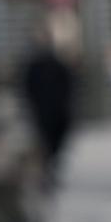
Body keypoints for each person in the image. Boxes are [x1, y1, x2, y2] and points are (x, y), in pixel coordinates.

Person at [22, 31, 75, 190]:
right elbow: (28, 88)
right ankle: (46, 174)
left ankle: (49, 170)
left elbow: (68, 86)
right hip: (42, 112)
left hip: (57, 112)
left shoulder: (59, 65)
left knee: (53, 145)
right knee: (45, 145)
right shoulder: (33, 67)